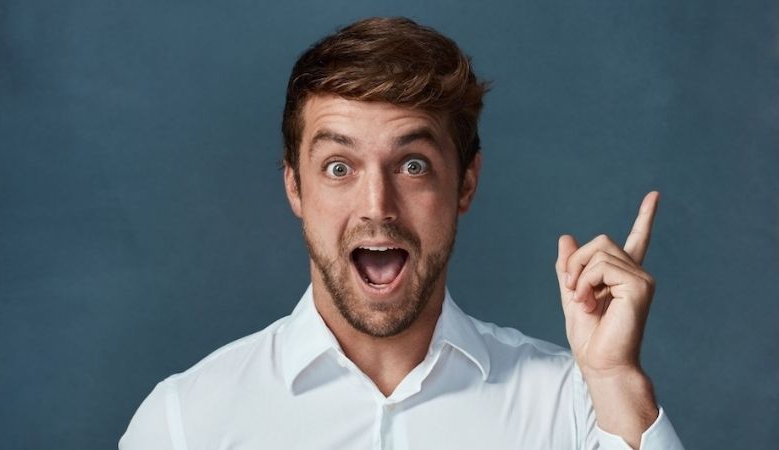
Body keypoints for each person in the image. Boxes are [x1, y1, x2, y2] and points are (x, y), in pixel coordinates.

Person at [119, 17, 683, 449]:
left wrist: (614, 379)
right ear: (295, 187)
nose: (377, 207)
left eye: (412, 164)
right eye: (339, 167)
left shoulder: (576, 405)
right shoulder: (185, 423)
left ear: (465, 183)